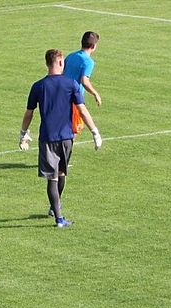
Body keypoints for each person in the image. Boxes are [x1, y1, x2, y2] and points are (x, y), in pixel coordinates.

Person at [19, 49, 102, 228]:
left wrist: (23, 133)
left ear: (47, 63)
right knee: (61, 173)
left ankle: (57, 214)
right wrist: (95, 132)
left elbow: (29, 113)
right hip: (66, 137)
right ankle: (57, 214)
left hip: (48, 137)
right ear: (60, 63)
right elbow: (82, 110)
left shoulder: (38, 86)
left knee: (53, 178)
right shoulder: (71, 84)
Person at [63, 31, 102, 138]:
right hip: (74, 100)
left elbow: (61, 74)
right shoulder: (88, 61)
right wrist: (95, 94)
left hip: (62, 96)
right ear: (93, 46)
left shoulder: (71, 56)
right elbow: (84, 81)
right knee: (73, 131)